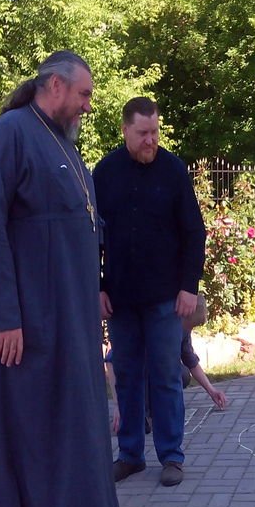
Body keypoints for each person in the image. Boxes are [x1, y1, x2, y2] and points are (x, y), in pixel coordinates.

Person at [0, 51, 127, 507]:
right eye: (84, 94)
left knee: (71, 428)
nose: (88, 105)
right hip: (31, 322)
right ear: (55, 85)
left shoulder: (62, 142)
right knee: (45, 431)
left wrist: (94, 291)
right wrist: (5, 316)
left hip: (70, 318)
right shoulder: (11, 133)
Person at [94, 96, 206, 487]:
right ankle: (130, 455)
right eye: (143, 133)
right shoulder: (105, 173)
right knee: (126, 376)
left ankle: (171, 455)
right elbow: (92, 236)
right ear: (125, 130)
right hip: (121, 298)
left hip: (165, 298)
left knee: (165, 375)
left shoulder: (173, 170)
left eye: (155, 132)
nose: (150, 140)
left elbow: (194, 232)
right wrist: (98, 287)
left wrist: (188, 287)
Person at [107, 295, 227, 436]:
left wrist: (212, 391)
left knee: (182, 374)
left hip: (156, 369)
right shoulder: (152, 326)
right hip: (137, 372)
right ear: (180, 316)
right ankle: (139, 411)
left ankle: (157, 408)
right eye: (188, 325)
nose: (187, 331)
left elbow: (191, 362)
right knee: (146, 367)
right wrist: (118, 405)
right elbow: (111, 361)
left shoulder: (184, 330)